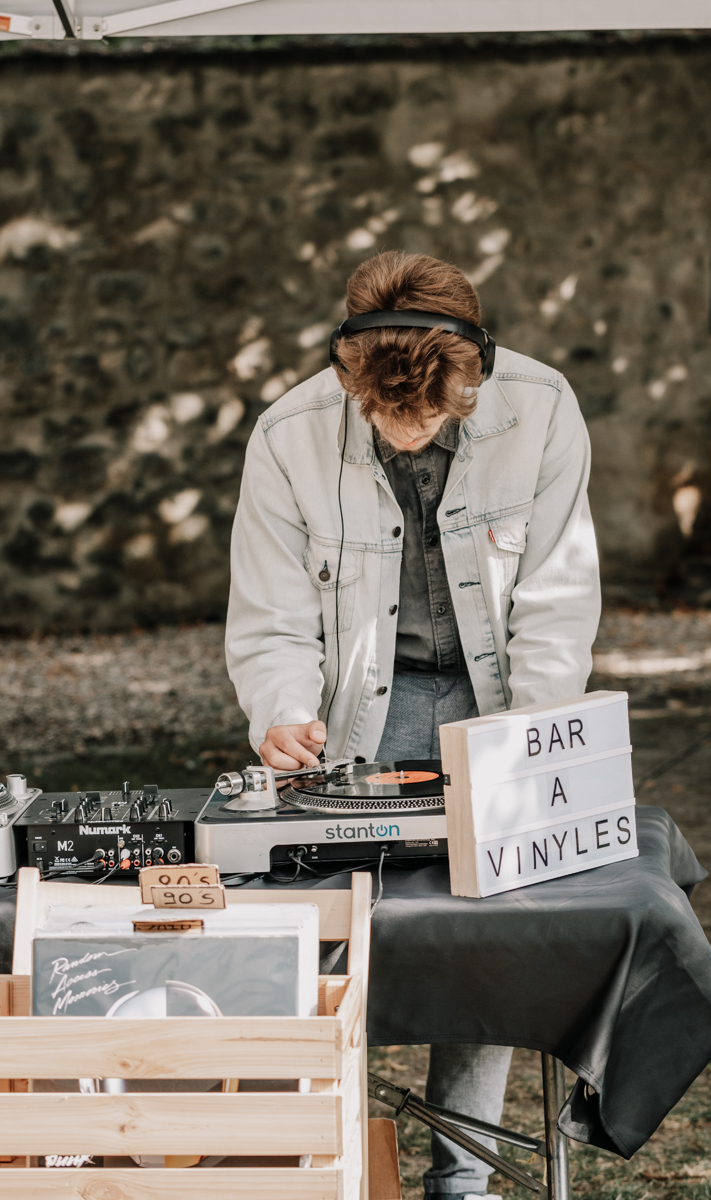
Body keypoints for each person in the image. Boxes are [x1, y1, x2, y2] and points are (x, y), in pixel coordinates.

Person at [226, 250, 601, 1199]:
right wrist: (283, 713)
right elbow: (272, 620)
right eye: (384, 415)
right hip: (360, 710)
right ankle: (335, 1165)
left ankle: (459, 1179)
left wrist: (530, 742)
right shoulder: (285, 436)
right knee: (336, 933)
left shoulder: (545, 408)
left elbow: (556, 605)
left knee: (487, 943)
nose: (404, 433)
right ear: (349, 376)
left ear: (471, 376)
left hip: (496, 700)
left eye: (427, 415)